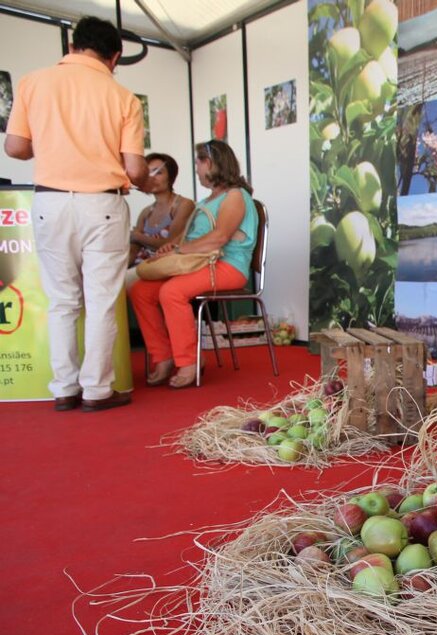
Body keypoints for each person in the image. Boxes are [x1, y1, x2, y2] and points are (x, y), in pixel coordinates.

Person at [3, 15, 147, 412]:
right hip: (102, 205)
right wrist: (137, 180)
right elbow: (135, 169)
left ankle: (64, 389)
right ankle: (97, 390)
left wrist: (51, 147)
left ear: (71, 47)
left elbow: (15, 147)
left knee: (61, 301)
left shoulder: (33, 82)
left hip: (50, 203)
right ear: (115, 57)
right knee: (101, 301)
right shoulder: (124, 98)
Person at [128, 140, 257, 389]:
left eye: (198, 163)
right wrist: (169, 248)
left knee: (171, 291)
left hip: (228, 266)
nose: (196, 169)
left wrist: (179, 249)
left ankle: (189, 361)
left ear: (210, 163)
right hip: (202, 263)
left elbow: (219, 237)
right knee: (141, 291)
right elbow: (188, 237)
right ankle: (163, 356)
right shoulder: (207, 201)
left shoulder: (235, 195)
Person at [128, 153, 195, 274]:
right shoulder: (146, 212)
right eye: (147, 173)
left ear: (171, 176)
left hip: (165, 266)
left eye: (158, 172)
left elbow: (171, 244)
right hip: (139, 266)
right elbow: (134, 247)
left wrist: (138, 236)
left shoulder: (184, 205)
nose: (152, 178)